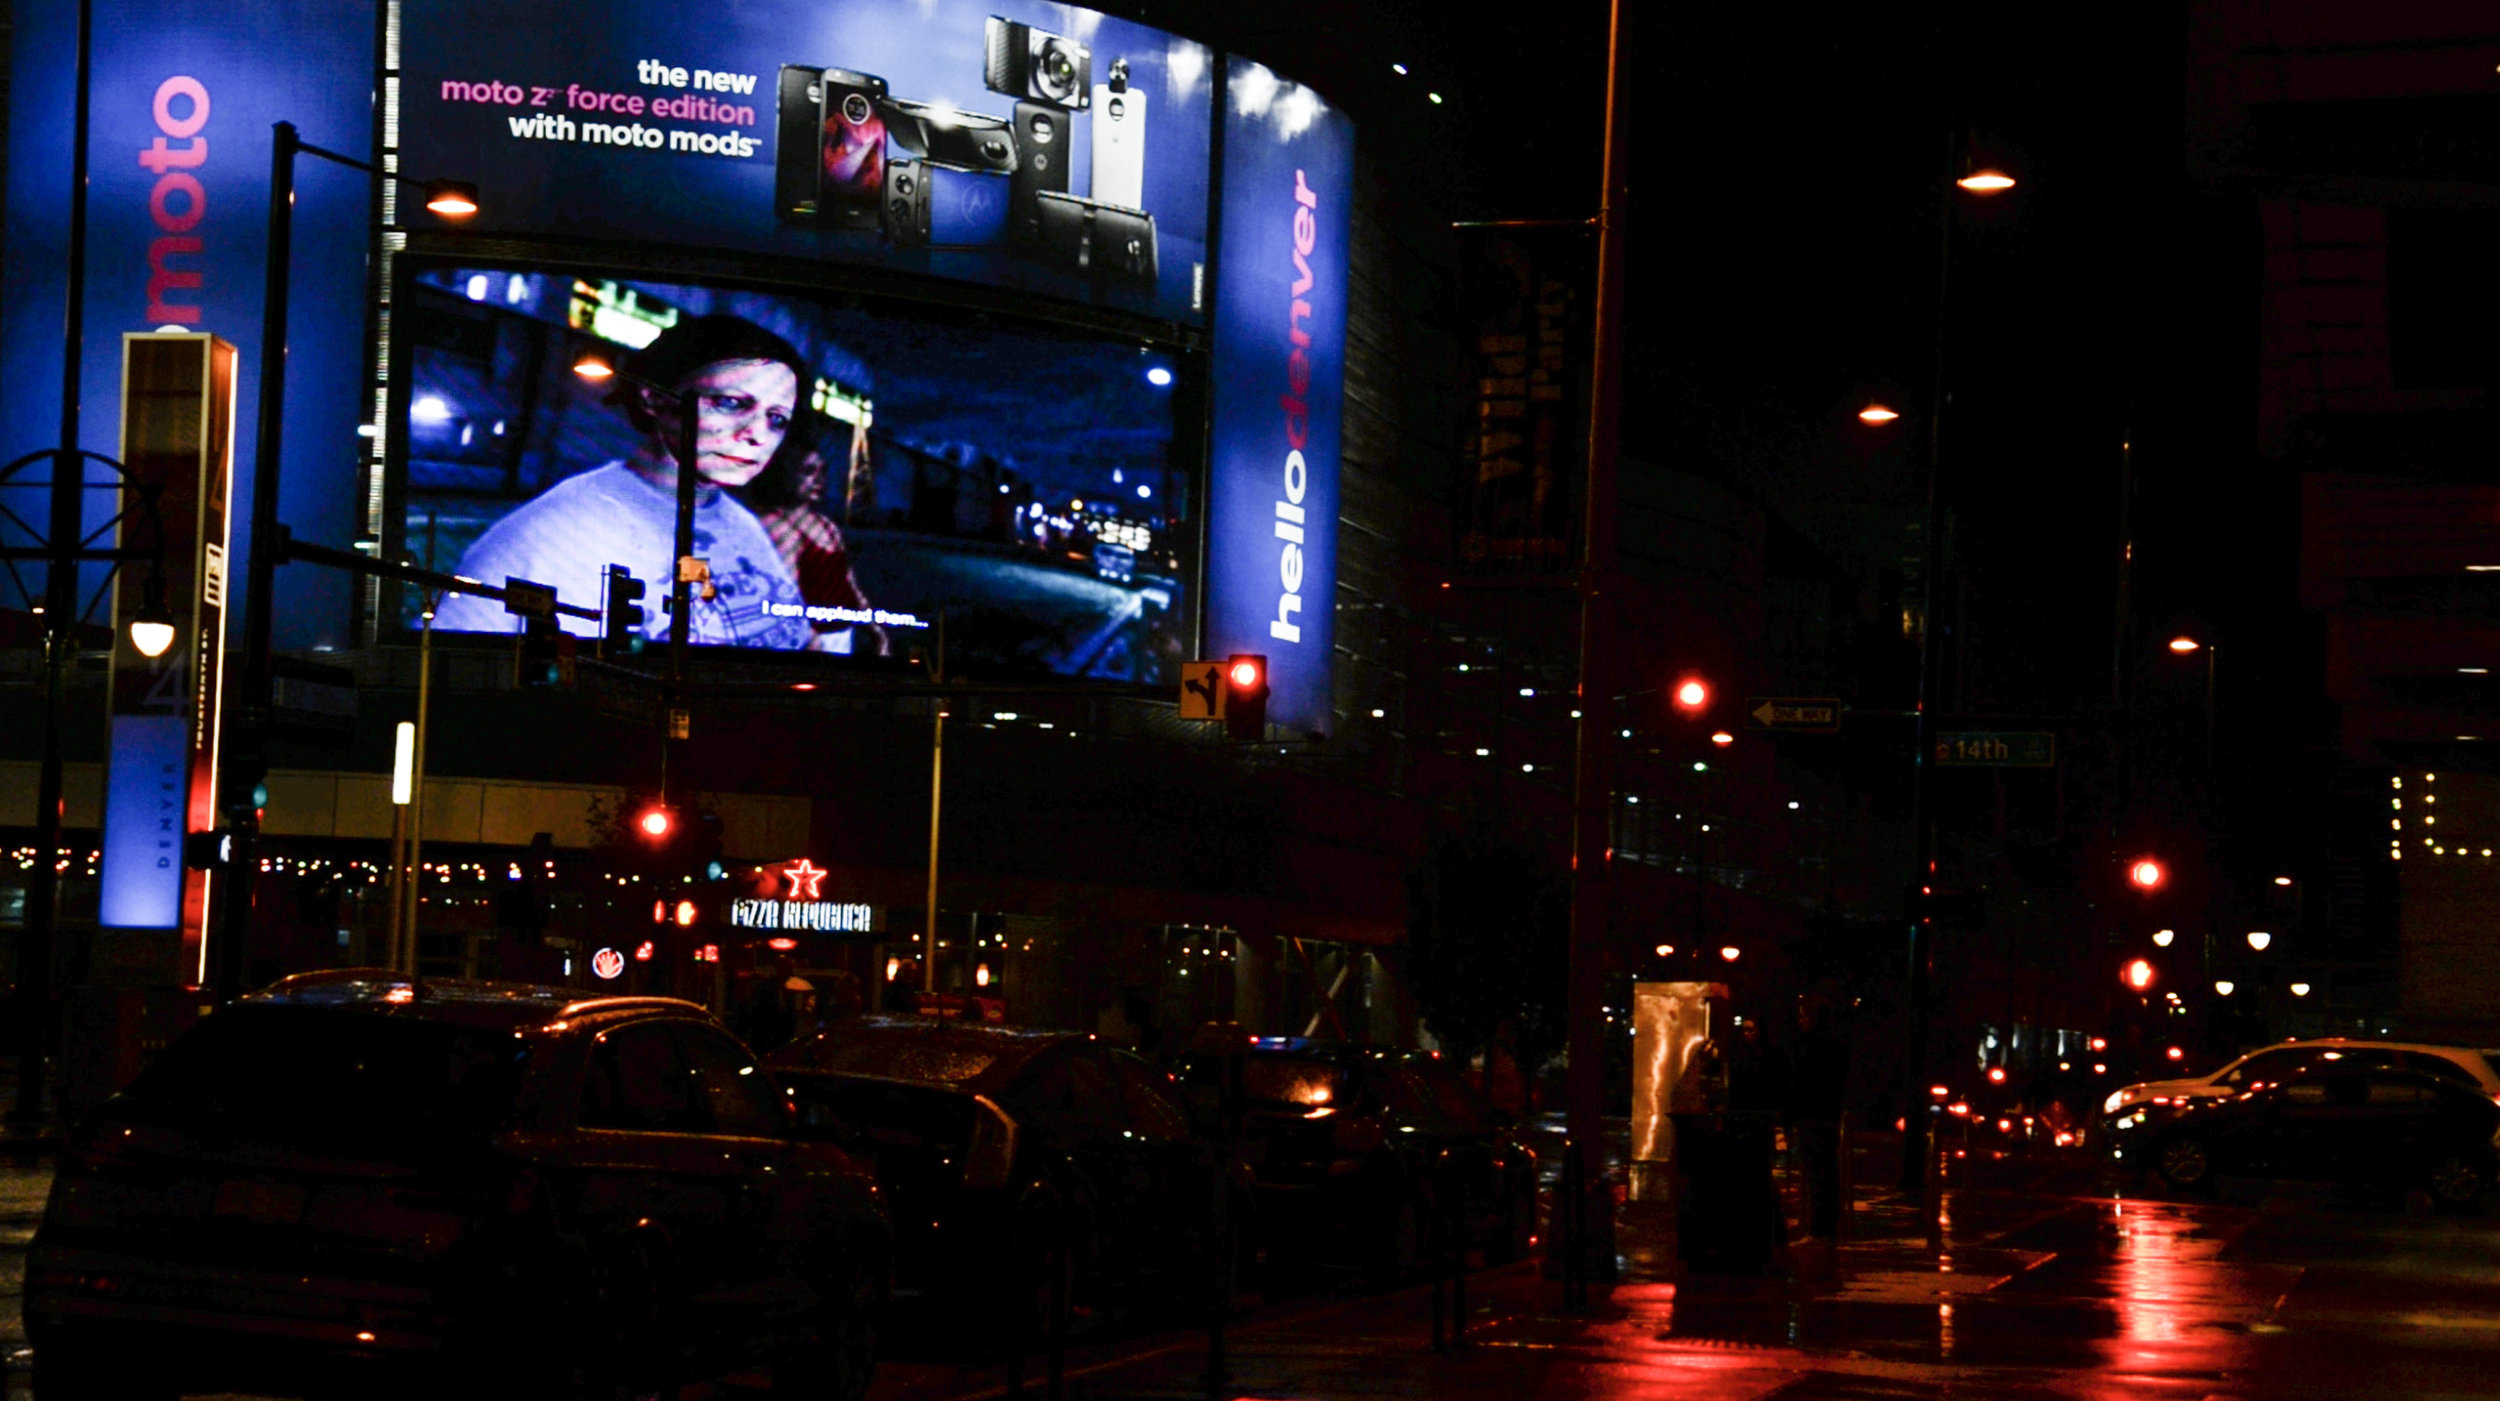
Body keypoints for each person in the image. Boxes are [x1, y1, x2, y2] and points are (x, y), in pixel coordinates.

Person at [433, 314, 819, 650]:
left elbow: (799, 642)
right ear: (653, 398)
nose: (757, 434)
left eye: (776, 419)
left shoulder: (742, 524)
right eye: (731, 403)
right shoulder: (554, 530)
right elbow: (453, 666)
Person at [744, 411, 888, 655]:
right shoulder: (772, 524)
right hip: (805, 645)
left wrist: (876, 629)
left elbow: (848, 584)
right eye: (808, 471)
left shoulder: (824, 524)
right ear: (785, 473)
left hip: (840, 637)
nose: (819, 480)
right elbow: (781, 600)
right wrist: (810, 642)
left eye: (821, 471)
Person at [1785, 992, 1853, 1242]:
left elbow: (1800, 1082)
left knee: (1817, 1173)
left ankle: (1819, 1228)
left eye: (1805, 1016)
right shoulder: (1836, 1044)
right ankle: (1825, 1226)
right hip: (1827, 1113)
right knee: (1826, 1172)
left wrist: (1791, 1112)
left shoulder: (1811, 1046)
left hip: (1811, 1113)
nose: (1801, 1021)